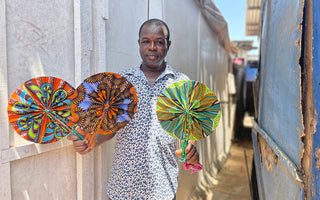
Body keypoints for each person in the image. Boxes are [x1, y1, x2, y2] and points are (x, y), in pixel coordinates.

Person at [68, 19, 200, 200]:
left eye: (159, 42)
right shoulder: (122, 82)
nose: (152, 47)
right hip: (122, 188)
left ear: (168, 45)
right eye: (146, 41)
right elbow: (112, 127)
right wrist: (94, 141)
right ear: (139, 44)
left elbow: (188, 132)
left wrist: (191, 152)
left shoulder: (181, 83)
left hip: (162, 190)